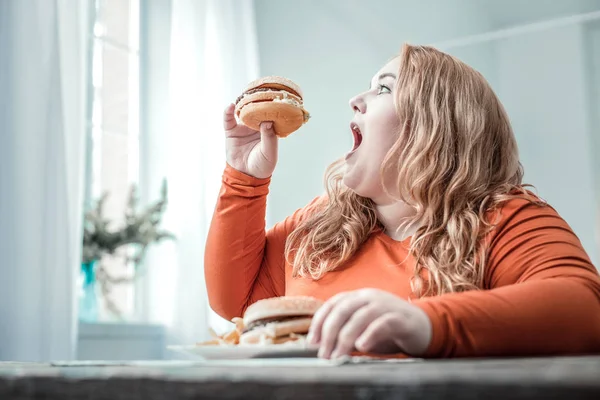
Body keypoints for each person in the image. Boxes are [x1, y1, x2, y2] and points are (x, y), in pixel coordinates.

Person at [204, 43, 600, 359]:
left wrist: (424, 323)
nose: (356, 100)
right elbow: (237, 303)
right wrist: (244, 178)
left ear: (436, 125)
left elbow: (585, 308)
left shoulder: (504, 218)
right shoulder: (321, 223)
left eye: (384, 88)